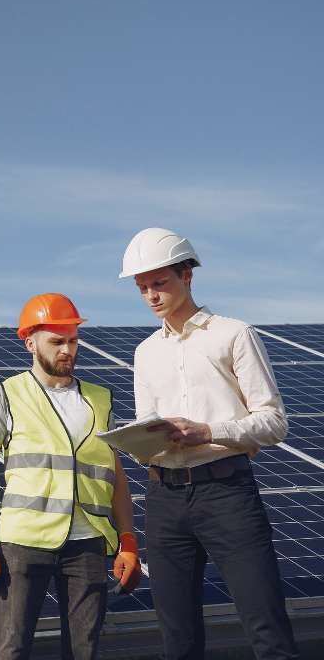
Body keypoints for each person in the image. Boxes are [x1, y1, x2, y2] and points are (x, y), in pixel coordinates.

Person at [120, 227, 298, 659]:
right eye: (143, 288)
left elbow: (274, 422)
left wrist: (208, 432)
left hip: (227, 494)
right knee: (177, 636)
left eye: (160, 283)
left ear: (187, 276)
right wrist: (140, 442)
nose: (151, 296)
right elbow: (150, 426)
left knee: (265, 623)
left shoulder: (234, 334)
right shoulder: (145, 353)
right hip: (163, 499)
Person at [0, 293, 140, 660]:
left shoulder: (100, 399)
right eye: (57, 341)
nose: (67, 349)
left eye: (73, 340)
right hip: (24, 542)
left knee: (84, 651)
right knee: (12, 648)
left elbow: (116, 475)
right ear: (30, 342)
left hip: (88, 542)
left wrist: (128, 539)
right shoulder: (6, 396)